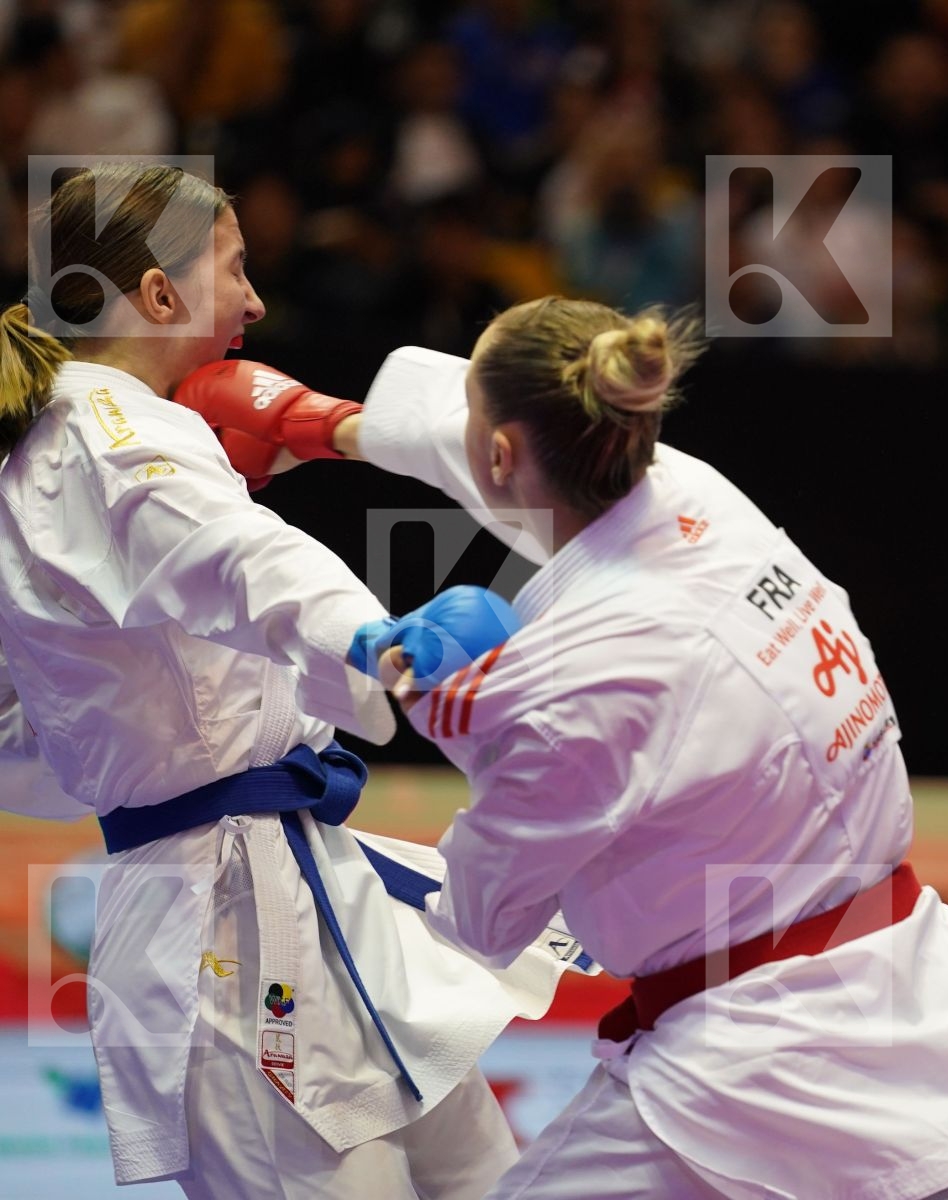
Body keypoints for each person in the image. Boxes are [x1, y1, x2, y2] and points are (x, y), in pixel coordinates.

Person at [174, 296, 948, 1200]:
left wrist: (438, 703)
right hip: (927, 990)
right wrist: (322, 423)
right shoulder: (690, 490)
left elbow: (480, 921)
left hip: (755, 1050)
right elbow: (496, 441)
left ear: (504, 451)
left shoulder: (564, 690)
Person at [0, 162, 581, 1198]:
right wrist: (375, 637)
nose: (257, 302)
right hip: (223, 931)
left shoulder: (62, 446)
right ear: (161, 296)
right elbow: (245, 559)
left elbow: (31, 737)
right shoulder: (119, 441)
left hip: (298, 892)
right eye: (233, 269)